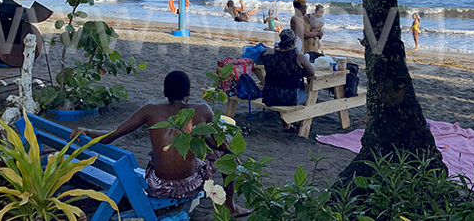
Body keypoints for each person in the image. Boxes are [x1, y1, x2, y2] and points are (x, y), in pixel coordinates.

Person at [69, 71, 252, 217]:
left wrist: (88, 131)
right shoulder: (202, 110)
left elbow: (112, 135)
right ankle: (230, 205)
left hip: (157, 185)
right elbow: (215, 144)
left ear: (165, 93)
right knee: (227, 155)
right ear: (188, 92)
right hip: (188, 186)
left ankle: (229, 203)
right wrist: (227, 140)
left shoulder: (150, 110)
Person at [258, 29, 314, 132]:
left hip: (269, 95)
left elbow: (264, 62)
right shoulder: (298, 55)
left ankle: (286, 124)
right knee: (310, 93)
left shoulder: (269, 52)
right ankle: (301, 125)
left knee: (281, 88)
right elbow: (311, 72)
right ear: (293, 42)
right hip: (289, 97)